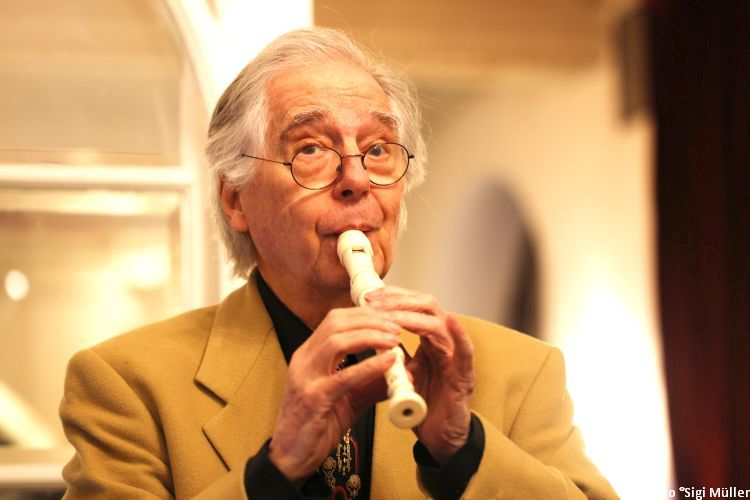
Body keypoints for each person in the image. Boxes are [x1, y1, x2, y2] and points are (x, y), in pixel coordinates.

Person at [59, 27, 618, 499]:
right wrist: (273, 473)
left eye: (377, 150)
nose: (356, 179)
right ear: (236, 199)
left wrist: (463, 451)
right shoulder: (126, 385)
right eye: (310, 149)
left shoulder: (521, 372)